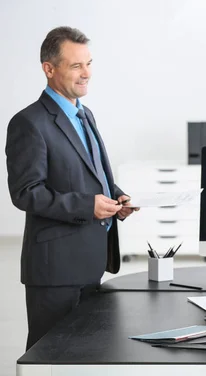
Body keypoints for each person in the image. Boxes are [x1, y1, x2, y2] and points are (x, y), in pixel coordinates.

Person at [5, 26, 138, 350]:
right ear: (49, 69)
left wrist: (115, 196)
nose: (86, 73)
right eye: (76, 65)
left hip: (91, 260)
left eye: (89, 63)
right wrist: (86, 206)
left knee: (86, 354)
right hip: (55, 269)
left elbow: (92, 174)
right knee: (50, 355)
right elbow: (26, 192)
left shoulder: (84, 114)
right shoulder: (29, 122)